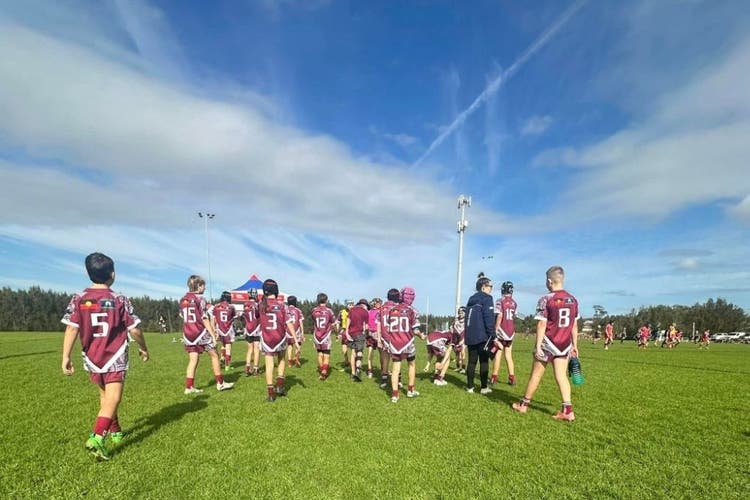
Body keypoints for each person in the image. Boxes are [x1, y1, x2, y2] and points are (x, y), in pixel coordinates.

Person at [61, 252, 149, 461]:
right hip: (115, 354)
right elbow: (135, 330)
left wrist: (65, 356)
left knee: (105, 397)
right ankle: (97, 437)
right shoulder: (119, 299)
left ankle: (116, 432)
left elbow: (72, 329)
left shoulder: (78, 299)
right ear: (112, 274)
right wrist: (144, 347)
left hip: (91, 356)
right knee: (114, 397)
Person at [512, 266, 579, 421]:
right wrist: (575, 345)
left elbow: (542, 325)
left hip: (548, 342)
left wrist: (537, 346)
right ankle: (568, 410)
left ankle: (524, 404)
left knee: (536, 375)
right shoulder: (573, 300)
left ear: (549, 281)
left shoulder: (546, 299)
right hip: (564, 343)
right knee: (561, 376)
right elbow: (574, 326)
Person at [180, 276, 234, 394]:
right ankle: (220, 383)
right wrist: (213, 335)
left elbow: (182, 316)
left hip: (188, 333)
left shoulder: (182, 299)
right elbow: (204, 319)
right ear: (198, 286)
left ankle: (189, 387)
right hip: (200, 332)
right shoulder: (200, 299)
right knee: (214, 355)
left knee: (193, 359)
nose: (204, 287)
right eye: (203, 285)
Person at [259, 279, 299, 402]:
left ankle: (271, 394)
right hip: (280, 337)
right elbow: (289, 323)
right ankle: (280, 387)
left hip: (267, 338)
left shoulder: (260, 305)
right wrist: (296, 340)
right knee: (281, 359)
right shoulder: (282, 305)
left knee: (269, 365)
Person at [387, 287, 423, 402]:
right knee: (411, 364)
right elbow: (416, 329)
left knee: (395, 368)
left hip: (395, 342)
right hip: (407, 341)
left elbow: (388, 326)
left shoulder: (392, 310)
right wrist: (422, 335)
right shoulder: (412, 311)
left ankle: (395, 394)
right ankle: (410, 390)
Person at [464, 273, 496, 395]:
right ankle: (483, 387)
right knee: (483, 361)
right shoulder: (487, 298)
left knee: (471, 361)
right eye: (490, 286)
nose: (491, 289)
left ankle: (470, 387)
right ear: (483, 287)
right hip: (482, 335)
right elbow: (488, 318)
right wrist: (492, 334)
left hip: (470, 334)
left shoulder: (471, 299)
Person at [491, 281, 517, 386]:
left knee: (498, 355)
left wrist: (495, 330)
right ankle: (511, 378)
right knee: (508, 356)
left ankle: (494, 377)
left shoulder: (500, 301)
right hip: (510, 332)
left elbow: (500, 316)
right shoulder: (514, 303)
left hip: (502, 331)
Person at [376, 289, 401, 388]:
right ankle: (398, 380)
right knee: (397, 360)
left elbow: (378, 323)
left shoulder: (382, 308)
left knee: (385, 359)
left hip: (385, 336)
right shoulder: (398, 307)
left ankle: (384, 380)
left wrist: (378, 338)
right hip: (396, 337)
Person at [311, 292, 337, 380]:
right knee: (326, 354)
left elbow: (314, 321)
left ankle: (322, 370)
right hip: (326, 335)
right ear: (326, 300)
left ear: (318, 300)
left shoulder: (314, 310)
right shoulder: (329, 311)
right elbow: (334, 323)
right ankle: (324, 371)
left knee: (319, 354)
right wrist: (337, 333)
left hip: (317, 335)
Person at [212, 291, 237, 371]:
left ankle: (222, 358)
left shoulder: (216, 306)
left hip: (220, 329)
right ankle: (227, 366)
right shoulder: (231, 307)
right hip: (228, 329)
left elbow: (213, 318)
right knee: (228, 347)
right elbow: (233, 316)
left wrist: (214, 329)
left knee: (223, 345)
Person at [346, 298, 370, 382]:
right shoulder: (365, 312)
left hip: (351, 333)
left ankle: (352, 373)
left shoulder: (352, 310)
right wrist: (367, 334)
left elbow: (348, 321)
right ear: (365, 305)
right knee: (359, 351)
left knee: (353, 353)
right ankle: (358, 370)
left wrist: (346, 333)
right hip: (360, 334)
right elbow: (366, 326)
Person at [243, 289, 261, 376]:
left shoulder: (245, 305)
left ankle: (247, 367)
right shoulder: (257, 304)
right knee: (256, 349)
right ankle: (256, 369)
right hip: (256, 328)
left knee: (249, 349)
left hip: (248, 329)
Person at [366, 297, 382, 378]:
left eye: (379, 302)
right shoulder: (369, 312)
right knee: (370, 353)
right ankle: (370, 370)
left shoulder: (382, 311)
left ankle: (383, 370)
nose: (379, 304)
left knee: (381, 354)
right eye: (377, 302)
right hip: (371, 334)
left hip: (379, 334)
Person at [285, 296, 304, 367]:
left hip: (288, 331)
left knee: (289, 346)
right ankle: (296, 359)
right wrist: (302, 332)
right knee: (298, 345)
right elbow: (300, 322)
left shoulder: (285, 309)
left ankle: (290, 362)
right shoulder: (298, 310)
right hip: (296, 331)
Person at [337, 301, 352, 369]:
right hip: (350, 331)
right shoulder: (354, 312)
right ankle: (349, 361)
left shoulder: (341, 312)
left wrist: (338, 332)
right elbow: (338, 322)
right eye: (350, 305)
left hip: (346, 330)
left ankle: (347, 361)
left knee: (345, 345)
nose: (351, 306)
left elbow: (338, 322)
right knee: (350, 346)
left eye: (352, 304)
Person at [451, 307, 466, 373]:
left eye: (462, 312)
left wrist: (463, 340)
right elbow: (451, 326)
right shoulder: (456, 320)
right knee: (457, 353)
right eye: (459, 312)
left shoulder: (466, 321)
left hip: (463, 338)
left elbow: (469, 331)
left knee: (462, 352)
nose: (460, 314)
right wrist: (452, 332)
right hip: (456, 338)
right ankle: (458, 367)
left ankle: (463, 368)